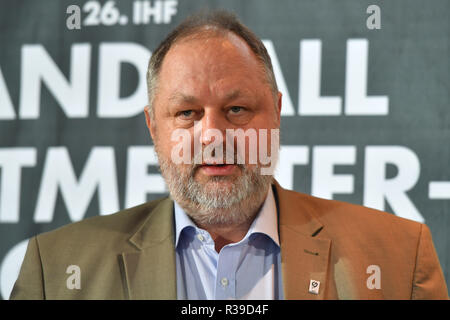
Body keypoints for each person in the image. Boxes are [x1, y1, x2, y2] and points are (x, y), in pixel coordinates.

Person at [10, 10, 448, 300]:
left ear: (276, 114)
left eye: (236, 109)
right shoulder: (57, 273)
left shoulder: (397, 259)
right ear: (153, 128)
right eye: (187, 113)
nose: (214, 135)